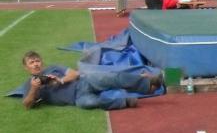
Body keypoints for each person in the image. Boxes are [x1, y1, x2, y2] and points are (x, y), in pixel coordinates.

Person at [20, 51, 162, 111]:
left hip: (84, 82)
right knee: (89, 103)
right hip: (77, 99)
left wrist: (60, 80)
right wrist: (34, 88)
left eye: (37, 61)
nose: (36, 64)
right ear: (26, 67)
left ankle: (148, 83)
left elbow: (74, 73)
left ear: (42, 61)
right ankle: (124, 102)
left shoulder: (53, 68)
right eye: (32, 62)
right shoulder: (29, 84)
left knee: (113, 78)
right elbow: (27, 104)